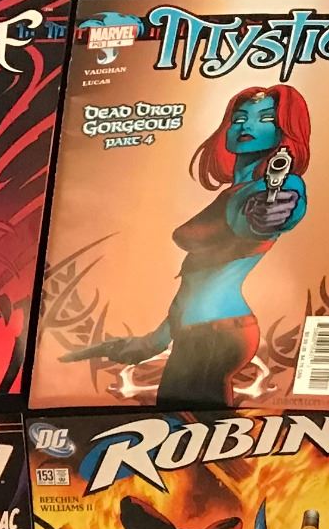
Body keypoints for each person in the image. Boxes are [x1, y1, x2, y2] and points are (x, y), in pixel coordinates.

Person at [62, 85, 310, 404]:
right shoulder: (238, 191)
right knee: (181, 419)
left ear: (284, 134)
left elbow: (273, 208)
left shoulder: (271, 188)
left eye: (265, 119)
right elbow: (193, 288)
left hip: (216, 335)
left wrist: (270, 214)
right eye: (238, 119)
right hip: (204, 332)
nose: (246, 126)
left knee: (184, 421)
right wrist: (150, 341)